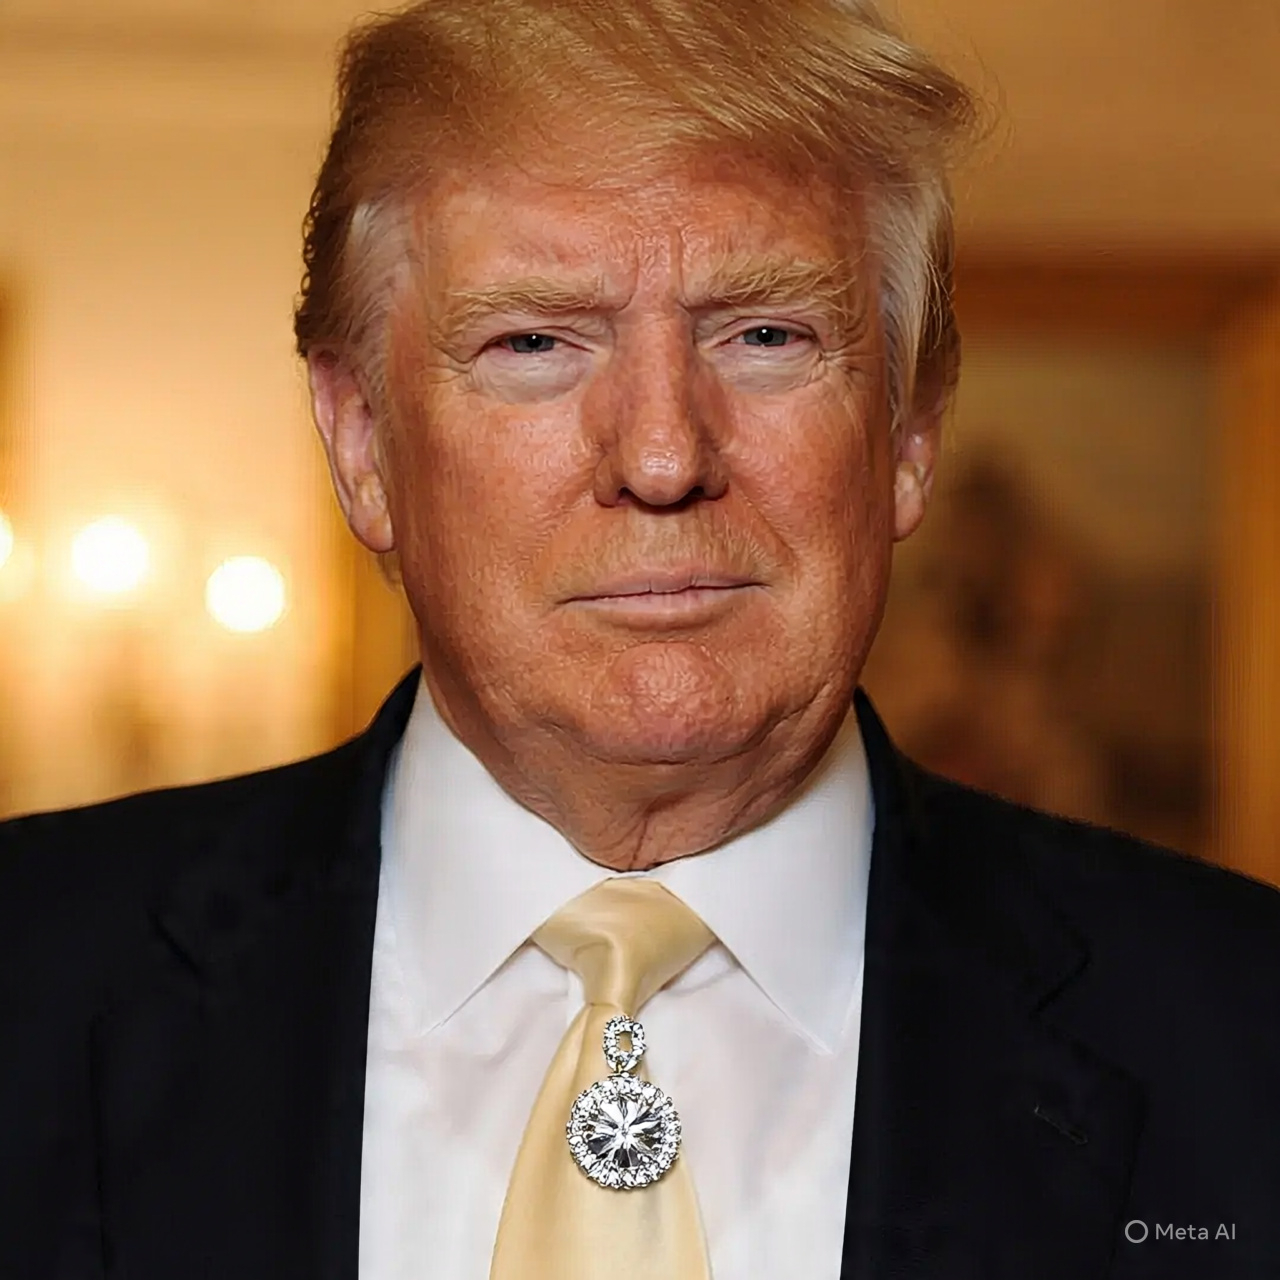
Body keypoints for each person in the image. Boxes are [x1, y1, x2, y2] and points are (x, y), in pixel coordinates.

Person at [2, 1, 1278, 1276]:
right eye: (534, 342)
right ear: (362, 442)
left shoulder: (1241, 1028)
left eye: (764, 335)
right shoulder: (31, 976)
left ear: (908, 430)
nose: (662, 457)